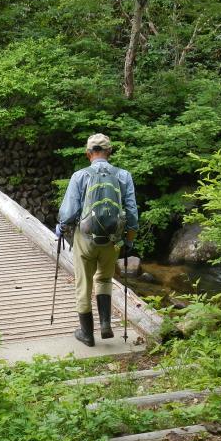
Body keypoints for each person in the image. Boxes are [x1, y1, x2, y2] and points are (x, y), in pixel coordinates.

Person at [56, 133, 138, 346]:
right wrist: (128, 240)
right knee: (103, 280)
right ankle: (105, 324)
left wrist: (61, 228)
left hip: (85, 238)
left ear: (88, 153)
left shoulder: (80, 176)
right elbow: (131, 212)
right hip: (112, 240)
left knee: (83, 284)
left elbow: (69, 212)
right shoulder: (123, 175)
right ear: (109, 152)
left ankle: (87, 334)